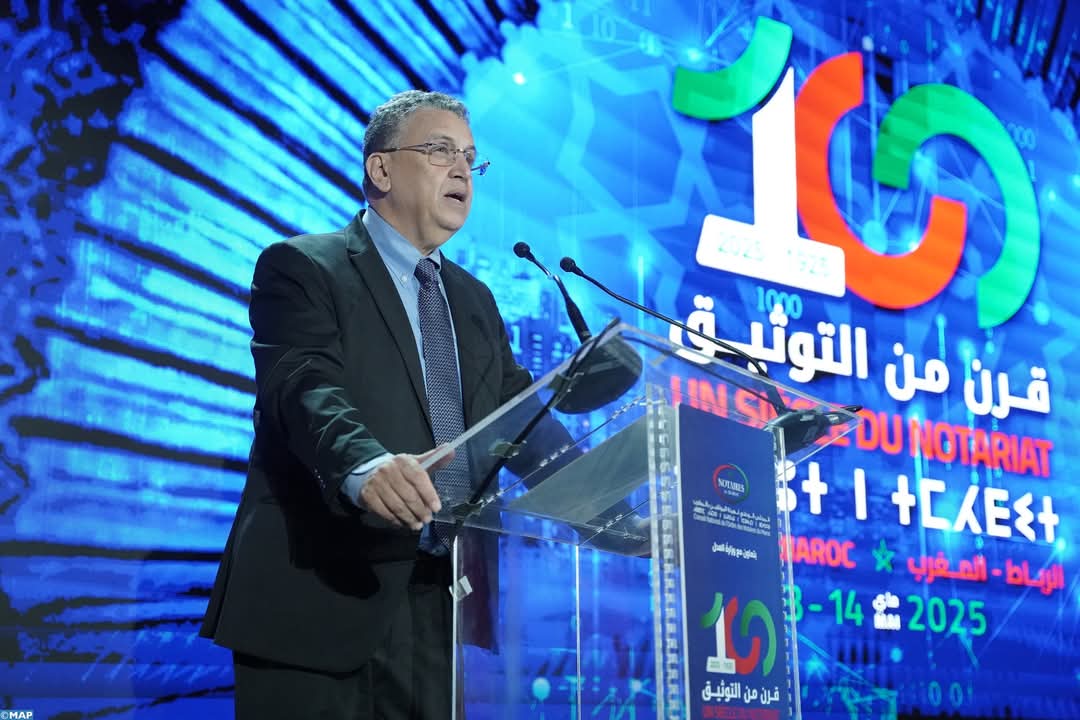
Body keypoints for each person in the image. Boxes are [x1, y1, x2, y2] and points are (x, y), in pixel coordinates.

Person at [200, 90, 544, 719]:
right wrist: (366, 466)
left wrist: (613, 495)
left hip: (439, 601)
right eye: (440, 150)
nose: (463, 169)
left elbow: (518, 417)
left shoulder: (475, 300)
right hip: (316, 598)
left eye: (471, 157)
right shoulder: (303, 267)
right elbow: (304, 386)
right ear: (380, 169)